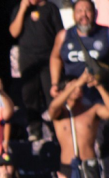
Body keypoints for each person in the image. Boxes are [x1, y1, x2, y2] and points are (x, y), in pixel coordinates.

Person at [10, 0, 64, 141]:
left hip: (49, 58)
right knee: (29, 94)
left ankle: (57, 130)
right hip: (28, 58)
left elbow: (60, 33)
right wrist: (22, 9)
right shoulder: (19, 8)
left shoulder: (51, 8)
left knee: (51, 94)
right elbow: (13, 33)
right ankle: (35, 129)